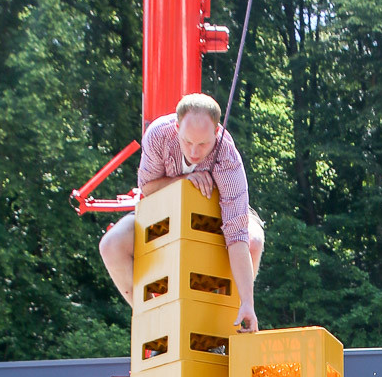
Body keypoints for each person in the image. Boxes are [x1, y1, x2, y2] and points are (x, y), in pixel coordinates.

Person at [99, 93, 264, 334]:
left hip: (215, 232)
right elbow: (147, 187)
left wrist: (249, 303)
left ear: (217, 133)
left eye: (203, 144)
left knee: (254, 239)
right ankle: (154, 322)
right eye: (188, 142)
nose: (195, 152)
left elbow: (236, 233)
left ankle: (236, 315)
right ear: (177, 127)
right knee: (111, 244)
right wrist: (185, 180)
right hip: (162, 223)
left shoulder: (228, 158)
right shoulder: (157, 135)